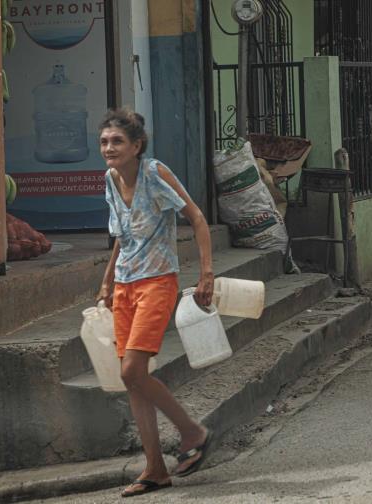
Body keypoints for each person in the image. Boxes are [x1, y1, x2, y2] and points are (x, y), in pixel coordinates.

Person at [95, 108, 215, 498]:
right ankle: (155, 469)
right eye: (104, 141)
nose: (108, 148)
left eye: (116, 141)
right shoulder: (111, 180)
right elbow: (122, 236)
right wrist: (107, 281)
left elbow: (196, 217)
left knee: (132, 371)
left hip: (158, 282)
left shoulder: (154, 173)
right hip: (126, 286)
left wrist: (206, 274)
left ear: (136, 146)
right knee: (133, 382)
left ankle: (192, 431)